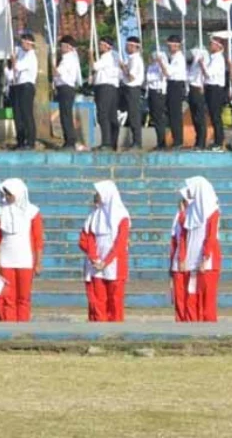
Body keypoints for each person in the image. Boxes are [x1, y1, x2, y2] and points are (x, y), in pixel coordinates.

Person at [0, 178, 43, 322]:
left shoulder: (33, 212)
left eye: (9, 194)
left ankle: (22, 329)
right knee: (8, 298)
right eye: (5, 194)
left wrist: (38, 262)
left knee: (23, 297)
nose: (6, 197)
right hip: (5, 260)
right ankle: (9, 329)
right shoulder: (0, 212)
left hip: (25, 260)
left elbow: (38, 240)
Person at [169, 177, 221, 322]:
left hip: (206, 263)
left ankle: (209, 328)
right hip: (191, 262)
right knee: (192, 297)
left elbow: (211, 236)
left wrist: (205, 258)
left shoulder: (212, 211)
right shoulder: (190, 212)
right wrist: (182, 258)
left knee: (207, 299)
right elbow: (183, 237)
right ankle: (192, 329)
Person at [79, 181, 131, 322]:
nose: (96, 196)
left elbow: (120, 243)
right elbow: (89, 238)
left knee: (115, 301)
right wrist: (94, 259)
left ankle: (115, 333)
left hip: (115, 264)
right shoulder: (95, 215)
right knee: (98, 301)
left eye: (99, 193)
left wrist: (106, 262)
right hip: (96, 265)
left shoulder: (122, 216)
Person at [8, 32, 38, 150]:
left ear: (30, 43)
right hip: (17, 85)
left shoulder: (31, 56)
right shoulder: (20, 52)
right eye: (22, 42)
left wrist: (14, 60)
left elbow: (18, 67)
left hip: (27, 86)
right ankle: (20, 141)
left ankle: (30, 142)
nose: (22, 44)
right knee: (18, 115)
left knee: (26, 114)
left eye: (25, 42)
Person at [158, 34, 188, 150]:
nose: (170, 48)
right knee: (171, 113)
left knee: (175, 114)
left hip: (176, 85)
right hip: (171, 85)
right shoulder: (173, 57)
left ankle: (178, 140)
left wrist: (161, 63)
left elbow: (168, 73)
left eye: (172, 46)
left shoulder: (179, 58)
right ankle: (176, 139)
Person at [91, 37, 121, 151]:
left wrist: (90, 56)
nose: (100, 47)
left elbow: (94, 66)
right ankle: (112, 142)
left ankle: (106, 142)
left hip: (105, 87)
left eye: (102, 45)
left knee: (103, 115)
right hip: (112, 88)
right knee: (112, 115)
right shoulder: (116, 56)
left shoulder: (107, 56)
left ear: (108, 46)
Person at [54, 35, 82, 150]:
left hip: (66, 88)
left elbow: (58, 73)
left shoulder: (68, 59)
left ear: (68, 47)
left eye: (63, 46)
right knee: (65, 115)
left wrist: (53, 64)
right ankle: (68, 140)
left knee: (66, 115)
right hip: (64, 88)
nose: (61, 49)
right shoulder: (69, 59)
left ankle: (70, 141)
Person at [201, 35, 227, 152]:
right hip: (210, 88)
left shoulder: (218, 59)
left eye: (212, 44)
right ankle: (217, 140)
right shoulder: (213, 58)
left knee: (216, 116)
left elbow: (209, 73)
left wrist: (201, 64)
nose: (210, 46)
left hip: (216, 89)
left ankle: (219, 141)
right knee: (213, 115)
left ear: (217, 46)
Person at [121, 36, 145, 150]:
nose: (126, 47)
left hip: (133, 89)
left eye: (128, 45)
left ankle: (137, 142)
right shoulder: (130, 59)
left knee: (134, 115)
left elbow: (131, 77)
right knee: (131, 115)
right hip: (126, 88)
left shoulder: (136, 59)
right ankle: (134, 141)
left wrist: (123, 68)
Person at [145, 47, 168, 151]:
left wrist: (161, 62)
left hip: (159, 92)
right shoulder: (152, 66)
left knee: (159, 118)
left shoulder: (161, 65)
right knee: (154, 117)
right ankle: (159, 141)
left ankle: (162, 142)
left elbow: (165, 74)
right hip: (151, 92)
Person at [186, 46, 208, 150]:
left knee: (200, 117)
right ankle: (197, 139)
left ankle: (201, 141)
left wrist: (203, 86)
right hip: (191, 89)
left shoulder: (203, 61)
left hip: (198, 88)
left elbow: (205, 75)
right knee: (194, 116)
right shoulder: (193, 63)